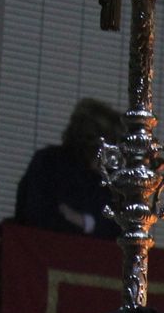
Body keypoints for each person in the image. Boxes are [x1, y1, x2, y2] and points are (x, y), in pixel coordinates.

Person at [13, 98, 123, 238]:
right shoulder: (49, 163)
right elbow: (36, 215)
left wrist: (83, 221)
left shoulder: (112, 180)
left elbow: (118, 229)